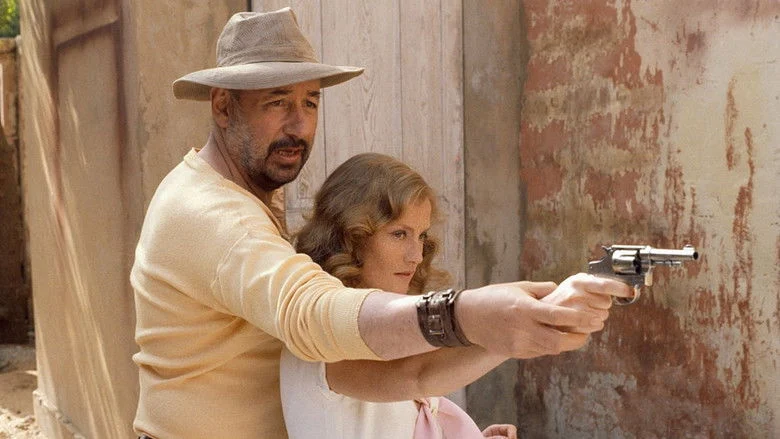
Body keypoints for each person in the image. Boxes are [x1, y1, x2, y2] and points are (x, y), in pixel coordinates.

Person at [131, 7, 632, 439]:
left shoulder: (253, 191)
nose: (299, 124)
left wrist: (517, 321)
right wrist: (464, 315)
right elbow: (310, 313)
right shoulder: (211, 212)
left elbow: (413, 375)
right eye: (277, 101)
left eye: (310, 101)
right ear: (223, 107)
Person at [281, 152, 518, 438]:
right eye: (399, 234)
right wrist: (515, 332)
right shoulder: (320, 334)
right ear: (350, 235)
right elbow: (417, 375)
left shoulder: (386, 335)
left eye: (421, 235)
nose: (416, 256)